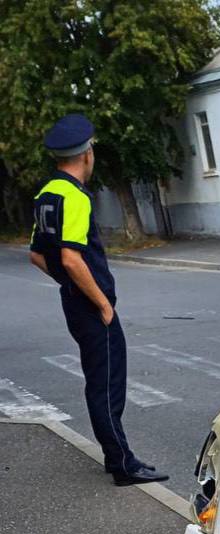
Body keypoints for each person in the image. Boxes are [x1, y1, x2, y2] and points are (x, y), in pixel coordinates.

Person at [29, 114, 168, 486]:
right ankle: (122, 464)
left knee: (99, 379)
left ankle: (116, 457)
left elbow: (38, 255)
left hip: (74, 302)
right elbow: (72, 258)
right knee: (106, 384)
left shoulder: (47, 195)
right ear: (86, 153)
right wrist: (102, 303)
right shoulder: (74, 197)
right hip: (93, 307)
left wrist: (71, 286)